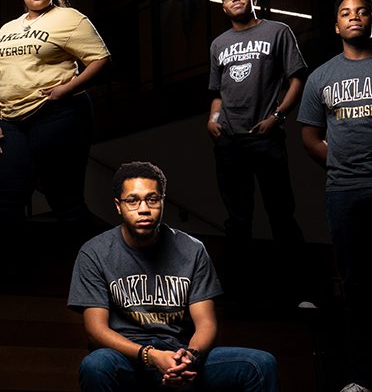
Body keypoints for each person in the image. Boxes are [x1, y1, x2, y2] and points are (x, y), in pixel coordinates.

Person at [69, 161, 280, 392]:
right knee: (95, 365)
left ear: (162, 202)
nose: (143, 209)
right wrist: (150, 356)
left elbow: (207, 323)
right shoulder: (94, 253)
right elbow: (95, 330)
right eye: (133, 200)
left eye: (152, 199)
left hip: (180, 352)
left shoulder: (192, 250)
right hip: (128, 358)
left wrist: (188, 357)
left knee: (260, 364)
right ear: (118, 206)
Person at [298, 0, 372, 392]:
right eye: (346, 12)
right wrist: (338, 162)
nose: (354, 17)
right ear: (336, 25)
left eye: (362, 12)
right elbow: (310, 135)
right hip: (344, 191)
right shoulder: (321, 76)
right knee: (356, 285)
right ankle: (366, 377)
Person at [0, 0, 110, 276]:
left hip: (57, 114)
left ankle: (91, 274)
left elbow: (100, 59)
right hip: (12, 121)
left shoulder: (69, 19)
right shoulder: (6, 30)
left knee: (64, 196)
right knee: (6, 197)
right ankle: (4, 275)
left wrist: (65, 90)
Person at [206, 0, 306, 293]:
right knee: (237, 219)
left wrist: (277, 117)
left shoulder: (278, 31)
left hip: (264, 136)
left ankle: (299, 290)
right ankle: (238, 291)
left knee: (280, 212)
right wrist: (212, 119)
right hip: (229, 140)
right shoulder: (218, 44)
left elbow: (297, 78)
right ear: (223, 7)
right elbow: (218, 93)